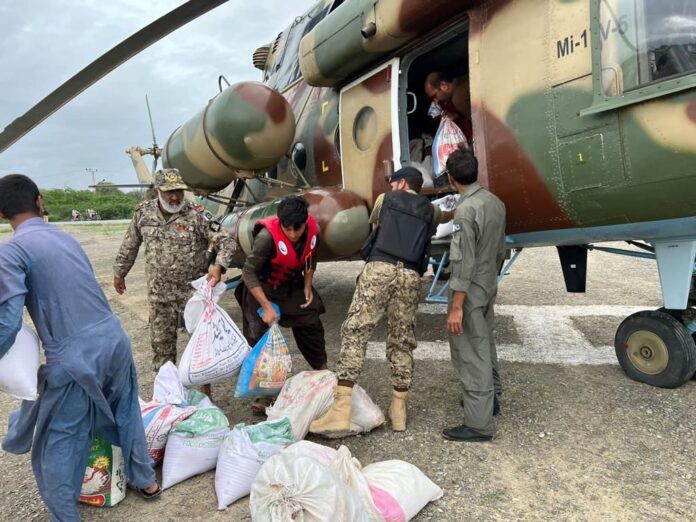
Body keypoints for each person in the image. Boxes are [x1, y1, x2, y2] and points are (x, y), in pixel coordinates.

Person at [0, 174, 159, 521]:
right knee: (126, 411)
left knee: (60, 437)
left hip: (74, 358)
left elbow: (8, 320)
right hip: (114, 340)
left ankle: (64, 515)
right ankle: (146, 481)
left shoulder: (11, 251)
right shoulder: (64, 236)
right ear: (40, 200)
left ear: (1, 214)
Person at [310, 166, 450, 436]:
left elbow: (376, 227)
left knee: (357, 331)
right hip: (410, 275)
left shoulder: (385, 199)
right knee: (402, 339)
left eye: (392, 181)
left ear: (400, 183)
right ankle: (398, 410)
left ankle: (340, 411)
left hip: (380, 268)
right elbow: (442, 217)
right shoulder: (430, 210)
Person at [113, 168, 234, 373]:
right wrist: (120, 272)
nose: (175, 196)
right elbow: (130, 245)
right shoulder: (143, 212)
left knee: (199, 345)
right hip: (159, 294)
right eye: (169, 192)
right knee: (162, 347)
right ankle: (167, 393)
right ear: (158, 190)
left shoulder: (197, 214)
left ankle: (202, 395)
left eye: (178, 190)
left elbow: (226, 241)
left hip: (192, 293)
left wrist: (219, 266)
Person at [234, 196, 327, 414]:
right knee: (261, 335)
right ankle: (265, 392)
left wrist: (307, 284)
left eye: (298, 229)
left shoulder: (312, 230)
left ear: (305, 222)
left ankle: (323, 370)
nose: (293, 234)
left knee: (310, 318)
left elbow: (311, 257)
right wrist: (266, 306)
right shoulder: (267, 237)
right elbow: (248, 272)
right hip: (261, 286)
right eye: (288, 229)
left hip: (290, 284)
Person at [442, 148, 506, 442]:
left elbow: (462, 261)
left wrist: (456, 306)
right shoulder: (494, 202)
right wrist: (492, 285)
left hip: (469, 291)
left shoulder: (465, 210)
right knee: (486, 346)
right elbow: (499, 251)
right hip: (487, 285)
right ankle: (490, 401)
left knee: (470, 354)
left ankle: (478, 424)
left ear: (452, 177)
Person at [424, 71, 473, 146]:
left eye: (434, 96)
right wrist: (456, 115)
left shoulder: (458, 98)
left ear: (444, 86)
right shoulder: (459, 81)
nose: (436, 101)